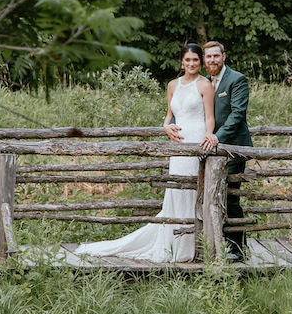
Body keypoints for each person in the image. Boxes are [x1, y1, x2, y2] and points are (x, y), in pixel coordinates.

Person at [64, 43, 215, 263]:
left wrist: (209, 135)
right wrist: (165, 127)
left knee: (193, 188)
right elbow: (169, 116)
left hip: (196, 140)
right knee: (177, 189)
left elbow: (209, 116)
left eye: (195, 60)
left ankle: (192, 243)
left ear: (200, 61)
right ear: (181, 62)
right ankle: (173, 241)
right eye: (187, 60)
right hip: (177, 143)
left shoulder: (205, 85)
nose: (191, 64)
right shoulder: (172, 85)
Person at [200, 40, 253, 262]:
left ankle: (237, 249)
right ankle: (211, 243)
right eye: (208, 56)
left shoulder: (236, 80)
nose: (212, 60)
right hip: (209, 148)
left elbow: (237, 115)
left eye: (216, 56)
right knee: (209, 196)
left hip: (232, 147)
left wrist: (216, 138)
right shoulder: (204, 82)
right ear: (204, 60)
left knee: (230, 197)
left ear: (224, 56)